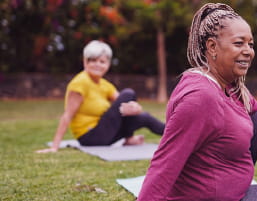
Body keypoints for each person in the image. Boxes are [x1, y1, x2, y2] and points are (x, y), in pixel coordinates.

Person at [138, 3, 257, 201]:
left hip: (235, 190)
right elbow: (165, 162)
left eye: (250, 44)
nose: (248, 51)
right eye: (239, 43)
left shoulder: (230, 86)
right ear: (212, 46)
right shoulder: (200, 98)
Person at [36, 40, 165, 153]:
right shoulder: (80, 83)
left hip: (106, 133)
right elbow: (67, 115)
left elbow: (124, 105)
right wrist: (55, 147)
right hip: (90, 136)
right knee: (128, 93)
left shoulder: (105, 85)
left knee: (144, 117)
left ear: (108, 65)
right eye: (92, 60)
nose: (97, 64)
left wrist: (136, 108)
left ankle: (178, 135)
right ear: (85, 62)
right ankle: (129, 138)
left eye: (102, 61)